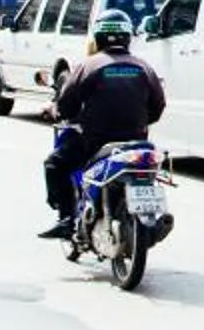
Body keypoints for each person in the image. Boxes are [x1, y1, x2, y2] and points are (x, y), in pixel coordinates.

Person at [39, 12, 165, 239]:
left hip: (94, 142)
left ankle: (67, 218)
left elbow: (67, 104)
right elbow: (158, 106)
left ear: (97, 38)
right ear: (127, 37)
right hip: (137, 142)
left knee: (54, 165)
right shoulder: (144, 67)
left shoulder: (89, 66)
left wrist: (58, 112)